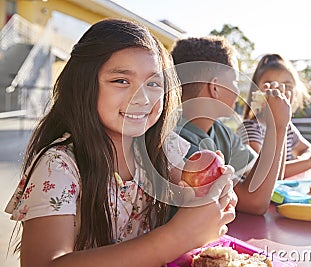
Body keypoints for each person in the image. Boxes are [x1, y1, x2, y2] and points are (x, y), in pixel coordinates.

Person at [4, 19, 237, 267]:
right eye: (121, 81)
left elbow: (192, 188)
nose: (143, 98)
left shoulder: (163, 148)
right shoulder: (59, 167)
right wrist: (174, 238)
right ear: (84, 85)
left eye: (154, 83)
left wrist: (211, 192)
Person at [171, 36, 291, 215]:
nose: (238, 90)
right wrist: (278, 127)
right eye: (235, 81)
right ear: (215, 87)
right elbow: (254, 202)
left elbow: (272, 178)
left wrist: (280, 120)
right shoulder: (177, 141)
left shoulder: (219, 131)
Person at [240, 53, 311, 179]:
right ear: (256, 93)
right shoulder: (251, 129)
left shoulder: (288, 128)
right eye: (269, 86)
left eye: (287, 86)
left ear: (295, 94)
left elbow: (306, 150)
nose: (279, 92)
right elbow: (261, 173)